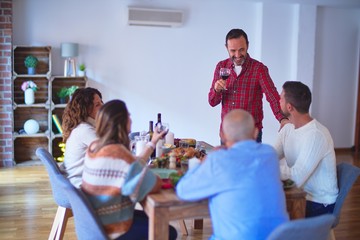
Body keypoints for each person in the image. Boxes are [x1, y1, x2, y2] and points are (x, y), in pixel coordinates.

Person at [176, 109, 288, 240]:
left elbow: (183, 191)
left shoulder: (218, 160)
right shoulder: (270, 154)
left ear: (222, 136)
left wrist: (204, 162)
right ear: (256, 132)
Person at [81, 99, 177, 240]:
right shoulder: (118, 154)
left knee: (156, 218)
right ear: (122, 122)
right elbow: (152, 184)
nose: (131, 119)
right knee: (169, 231)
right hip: (113, 228)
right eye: (129, 116)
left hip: (96, 221)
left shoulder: (95, 147)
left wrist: (153, 142)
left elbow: (130, 165)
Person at [208, 28, 288, 143]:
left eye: (241, 50)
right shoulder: (221, 66)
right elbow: (212, 102)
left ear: (248, 46)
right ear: (226, 48)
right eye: (233, 51)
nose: (237, 55)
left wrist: (282, 119)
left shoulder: (259, 69)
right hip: (227, 134)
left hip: (251, 134)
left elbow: (271, 95)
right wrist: (216, 90)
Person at [273, 81, 339, 218]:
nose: (278, 101)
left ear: (289, 107)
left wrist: (265, 167)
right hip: (299, 194)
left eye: (281, 98)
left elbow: (296, 177)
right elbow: (271, 155)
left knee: (268, 213)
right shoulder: (287, 129)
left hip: (318, 203)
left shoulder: (316, 135)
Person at [61, 87, 103, 188]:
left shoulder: (83, 127)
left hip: (77, 181)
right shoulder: (85, 130)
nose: (103, 106)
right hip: (79, 186)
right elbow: (111, 152)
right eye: (97, 105)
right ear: (86, 109)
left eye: (101, 102)